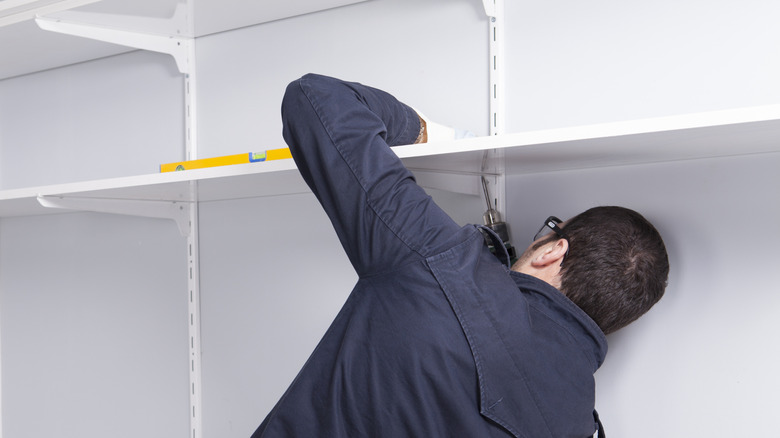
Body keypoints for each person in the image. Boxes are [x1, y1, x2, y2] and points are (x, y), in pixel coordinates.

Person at [252, 73, 669, 437]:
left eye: (548, 232)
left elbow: (315, 99)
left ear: (554, 250)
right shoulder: (577, 422)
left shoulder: (439, 262)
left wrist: (422, 133)